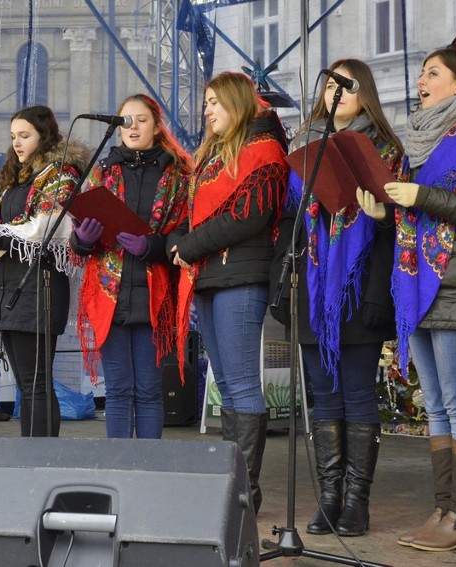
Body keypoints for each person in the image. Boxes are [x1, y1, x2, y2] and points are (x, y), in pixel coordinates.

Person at [358, 40, 456, 551]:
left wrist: (423, 196)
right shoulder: (420, 143)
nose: (420, 82)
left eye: (431, 73)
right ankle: (446, 512)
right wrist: (389, 212)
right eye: (421, 74)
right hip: (419, 287)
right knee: (439, 409)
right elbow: (421, 214)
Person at [271, 59, 403, 536]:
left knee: (357, 394)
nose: (337, 92)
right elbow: (289, 221)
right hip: (312, 287)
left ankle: (357, 502)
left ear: (364, 92)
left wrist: (384, 217)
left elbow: (399, 231)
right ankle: (329, 496)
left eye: (346, 85)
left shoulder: (385, 148)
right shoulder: (306, 145)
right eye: (330, 85)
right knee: (324, 398)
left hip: (361, 288)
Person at [169, 72, 289, 514]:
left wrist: (190, 244)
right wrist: (174, 243)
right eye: (205, 103)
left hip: (240, 278)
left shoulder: (264, 150)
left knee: (240, 384)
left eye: (215, 102)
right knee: (227, 384)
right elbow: (190, 214)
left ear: (238, 104)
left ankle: (244, 491)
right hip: (209, 277)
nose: (207, 110)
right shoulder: (212, 156)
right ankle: (231, 483)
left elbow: (248, 215)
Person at [0, 105, 89, 438]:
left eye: (25, 135)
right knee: (28, 383)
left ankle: (38, 459)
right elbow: (4, 227)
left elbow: (43, 229)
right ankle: (34, 457)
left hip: (39, 288)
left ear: (44, 135)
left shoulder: (60, 174)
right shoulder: (17, 178)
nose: (17, 143)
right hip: (10, 289)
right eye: (13, 137)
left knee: (36, 384)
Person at [70, 94, 191, 439]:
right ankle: (119, 467)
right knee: (119, 391)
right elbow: (77, 239)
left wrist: (152, 245)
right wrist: (84, 239)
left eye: (141, 119)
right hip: (109, 296)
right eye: (126, 120)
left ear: (156, 125)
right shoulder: (102, 171)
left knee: (151, 390)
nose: (133, 126)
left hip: (154, 295)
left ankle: (148, 469)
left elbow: (184, 230)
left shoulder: (178, 175)